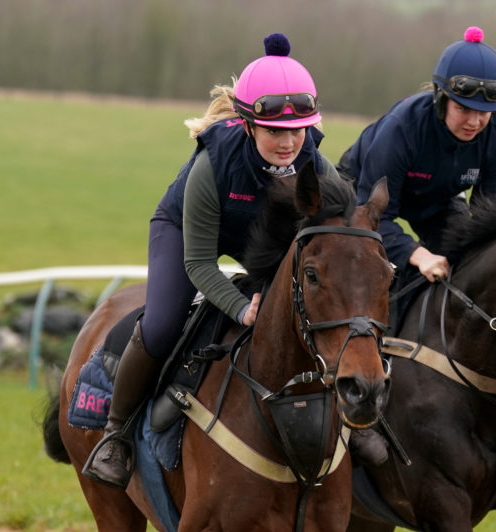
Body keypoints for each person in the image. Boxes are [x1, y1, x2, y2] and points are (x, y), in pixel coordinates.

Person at [84, 33, 341, 489]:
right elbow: (201, 263)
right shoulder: (213, 164)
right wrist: (241, 308)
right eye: (274, 132)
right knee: (164, 324)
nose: (288, 144)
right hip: (187, 230)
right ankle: (115, 433)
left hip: (261, 238)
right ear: (247, 126)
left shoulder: (319, 168)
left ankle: (357, 427)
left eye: (297, 132)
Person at [337, 26, 496, 466]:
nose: (474, 121)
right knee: (386, 278)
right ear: (440, 98)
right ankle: (359, 407)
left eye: (484, 113)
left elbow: (492, 217)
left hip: (434, 204)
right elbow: (376, 214)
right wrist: (417, 255)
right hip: (362, 202)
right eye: (463, 108)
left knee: (472, 264)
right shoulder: (402, 127)